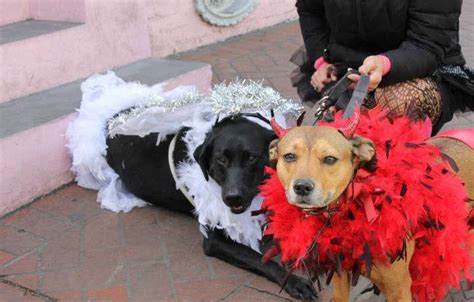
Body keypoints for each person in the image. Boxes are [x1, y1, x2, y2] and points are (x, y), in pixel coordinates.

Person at [291, 0, 474, 133]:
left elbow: (427, 44)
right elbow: (309, 10)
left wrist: (383, 64)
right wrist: (321, 61)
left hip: (421, 71)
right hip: (349, 70)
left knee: (399, 106)